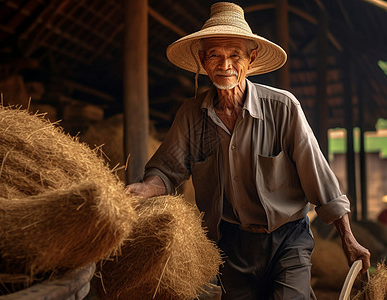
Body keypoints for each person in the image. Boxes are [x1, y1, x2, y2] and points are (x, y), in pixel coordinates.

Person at [127, 2, 370, 299]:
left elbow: (318, 177)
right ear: (203, 60)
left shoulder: (283, 108)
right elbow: (167, 170)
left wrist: (348, 239)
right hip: (229, 246)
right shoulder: (191, 114)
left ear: (251, 59)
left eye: (234, 55)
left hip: (287, 239)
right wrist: (142, 189)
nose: (224, 65)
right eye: (214, 55)